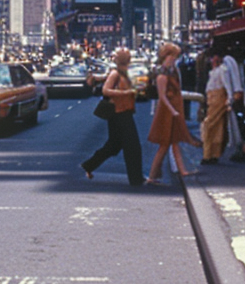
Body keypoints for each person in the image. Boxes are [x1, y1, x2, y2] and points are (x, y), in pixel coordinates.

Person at [79, 48, 144, 186]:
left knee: (114, 145)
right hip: (119, 112)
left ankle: (89, 166)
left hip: (123, 111)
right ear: (126, 59)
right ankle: (136, 179)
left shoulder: (123, 72)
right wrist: (126, 92)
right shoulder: (115, 73)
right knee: (132, 146)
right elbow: (105, 90)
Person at [146, 42, 198, 184]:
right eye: (173, 57)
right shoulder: (162, 74)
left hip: (173, 109)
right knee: (165, 144)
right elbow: (162, 96)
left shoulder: (171, 71)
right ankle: (152, 176)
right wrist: (173, 110)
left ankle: (181, 171)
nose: (174, 59)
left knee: (174, 142)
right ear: (166, 56)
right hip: (167, 111)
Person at [221, 48, 245, 163]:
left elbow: (231, 78)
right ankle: (241, 147)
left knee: (235, 122)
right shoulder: (234, 61)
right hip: (237, 93)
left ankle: (242, 148)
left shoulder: (227, 61)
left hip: (234, 94)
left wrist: (234, 93)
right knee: (236, 121)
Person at [200, 51, 229, 164]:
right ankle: (213, 153)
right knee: (217, 127)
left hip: (217, 98)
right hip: (213, 98)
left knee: (209, 125)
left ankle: (208, 154)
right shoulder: (214, 71)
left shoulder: (221, 70)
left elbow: (226, 84)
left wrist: (229, 98)